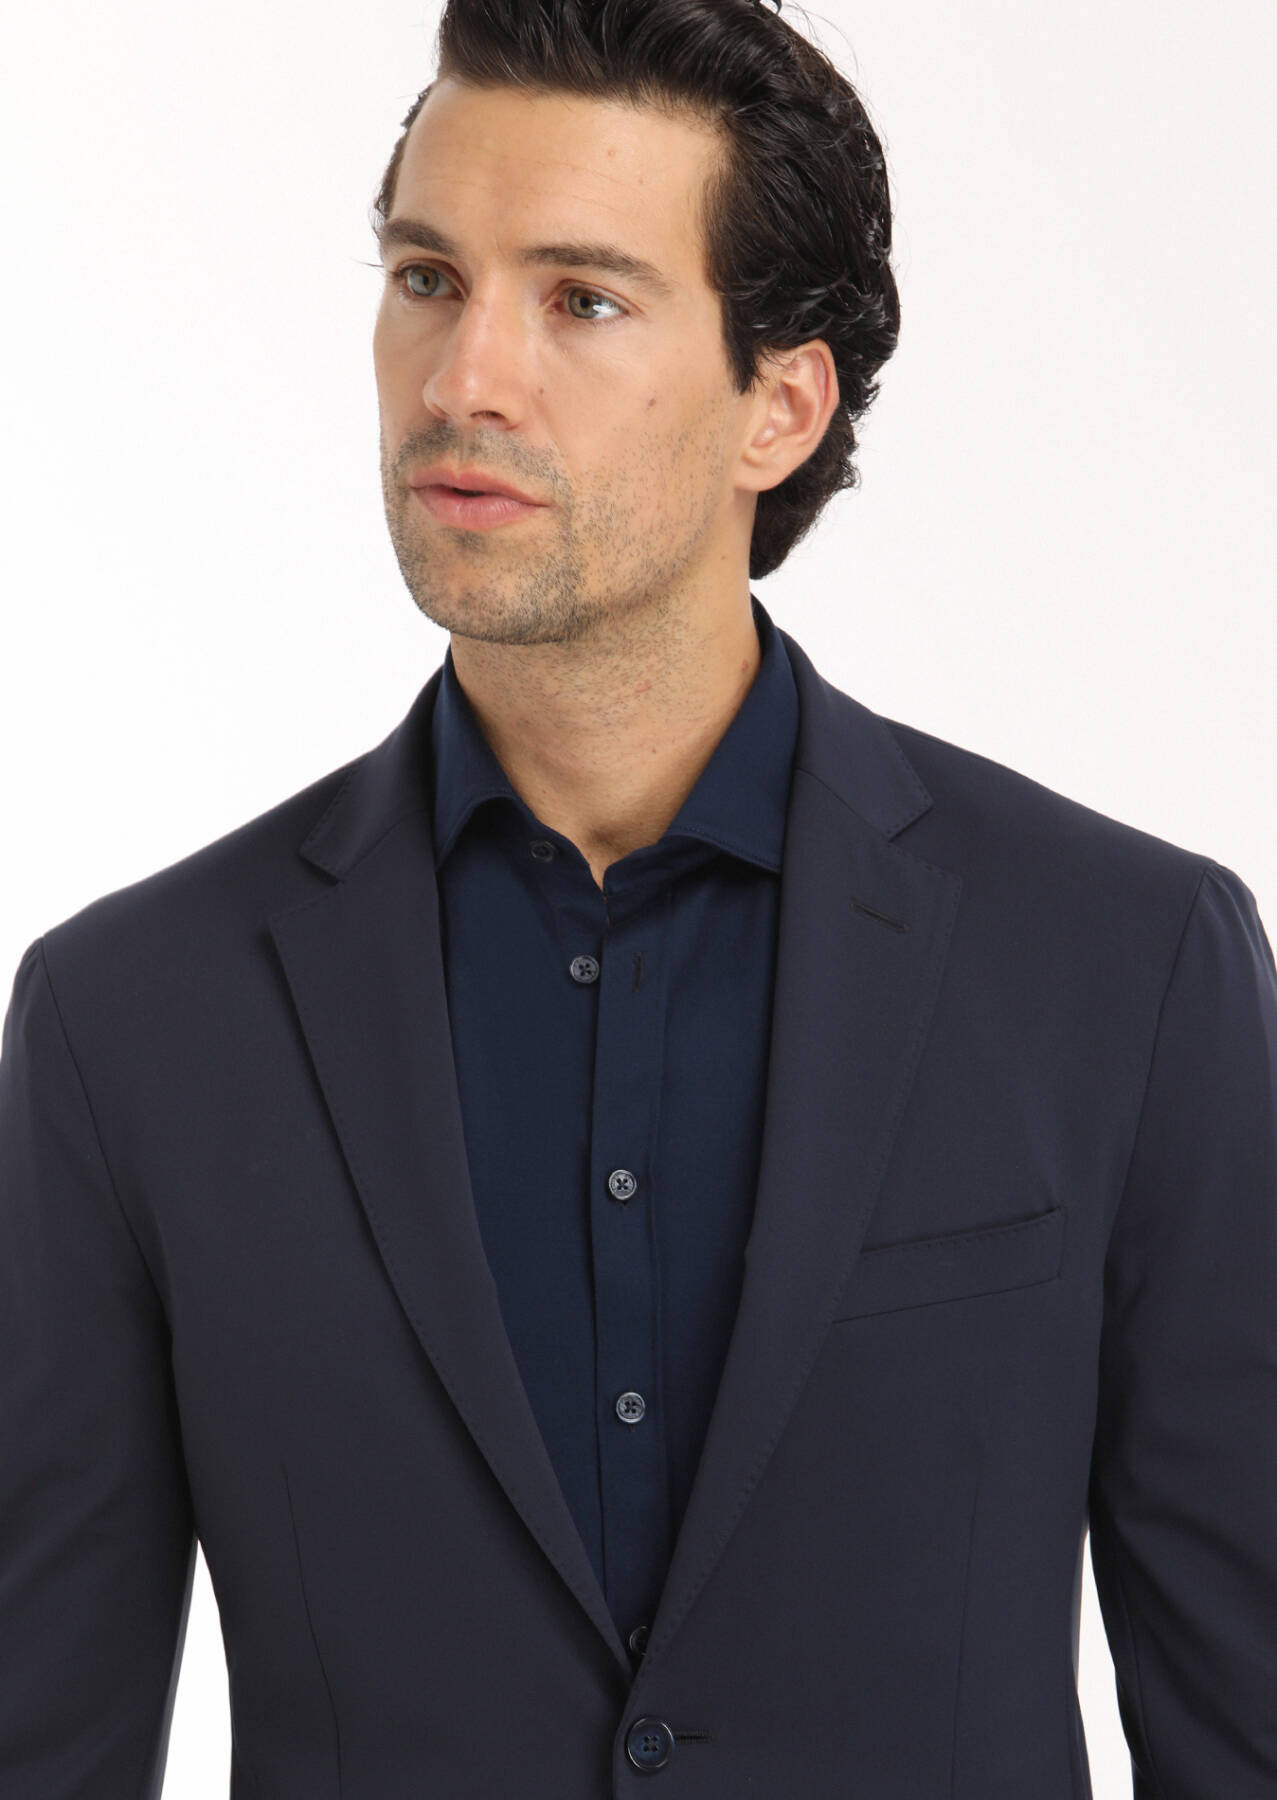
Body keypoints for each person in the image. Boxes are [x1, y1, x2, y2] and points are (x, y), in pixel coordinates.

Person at [1, 0, 1274, 1794]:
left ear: (779, 405)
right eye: (428, 279)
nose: (463, 379)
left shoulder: (1124, 969)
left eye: (581, 301)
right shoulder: (131, 1021)